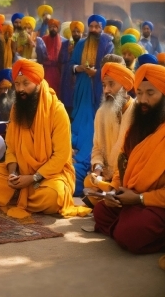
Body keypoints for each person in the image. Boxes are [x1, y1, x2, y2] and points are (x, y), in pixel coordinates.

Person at [0, 60, 90, 219]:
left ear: (38, 83)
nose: (21, 89)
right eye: (17, 84)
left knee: (53, 195)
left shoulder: (57, 111)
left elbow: (61, 157)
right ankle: (19, 193)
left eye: (26, 83)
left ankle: (16, 197)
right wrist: (13, 173)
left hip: (49, 176)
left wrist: (33, 178)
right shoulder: (17, 109)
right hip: (21, 173)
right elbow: (11, 147)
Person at [93, 63, 165, 253]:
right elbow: (122, 166)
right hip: (131, 199)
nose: (142, 100)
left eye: (150, 94)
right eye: (139, 93)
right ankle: (125, 228)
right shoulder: (136, 129)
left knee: (130, 233)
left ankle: (126, 231)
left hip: (157, 203)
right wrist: (114, 192)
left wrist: (140, 198)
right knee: (100, 211)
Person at [70, 14, 114, 194]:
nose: (94, 29)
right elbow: (71, 65)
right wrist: (79, 68)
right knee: (80, 118)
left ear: (102, 28)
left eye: (97, 26)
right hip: (82, 86)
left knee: (93, 121)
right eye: (92, 26)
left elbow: (109, 67)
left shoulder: (107, 44)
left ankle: (88, 156)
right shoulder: (80, 43)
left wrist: (96, 72)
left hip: (97, 86)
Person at [83, 58, 135, 199]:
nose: (106, 90)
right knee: (89, 182)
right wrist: (98, 170)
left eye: (111, 84)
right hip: (107, 177)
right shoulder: (101, 112)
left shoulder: (137, 112)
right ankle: (107, 196)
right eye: (104, 85)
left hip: (129, 177)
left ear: (124, 85)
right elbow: (97, 148)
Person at [59, 21, 84, 114]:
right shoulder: (65, 44)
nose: (76, 34)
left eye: (78, 32)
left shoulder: (85, 44)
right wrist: (68, 53)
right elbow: (61, 59)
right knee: (66, 98)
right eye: (74, 32)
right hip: (67, 74)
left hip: (80, 74)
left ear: (82, 33)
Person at [42, 18, 63, 97]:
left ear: (57, 28)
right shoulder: (43, 39)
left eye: (54, 27)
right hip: (46, 70)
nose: (53, 29)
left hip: (57, 71)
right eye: (51, 27)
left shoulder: (62, 40)